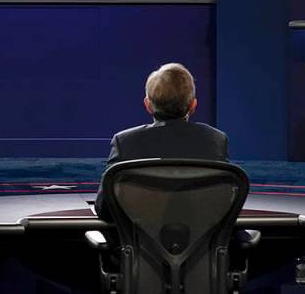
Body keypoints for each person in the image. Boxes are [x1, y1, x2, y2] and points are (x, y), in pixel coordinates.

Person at [95, 63, 228, 221]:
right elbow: (223, 205)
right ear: (193, 105)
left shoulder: (124, 142)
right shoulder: (216, 140)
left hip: (140, 244)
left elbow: (105, 209)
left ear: (148, 105)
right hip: (201, 243)